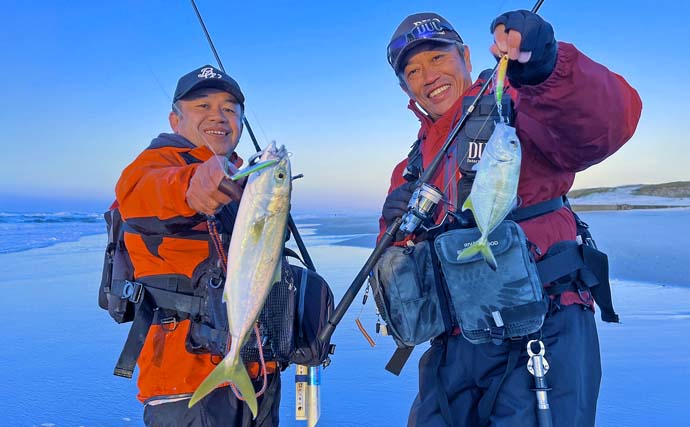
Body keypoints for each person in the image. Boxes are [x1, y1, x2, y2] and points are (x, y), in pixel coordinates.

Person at [379, 10, 642, 427]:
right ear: (405, 87)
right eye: (412, 70)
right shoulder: (410, 169)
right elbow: (401, 265)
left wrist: (547, 68)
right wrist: (391, 228)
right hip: (452, 350)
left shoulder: (520, 103)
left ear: (465, 55)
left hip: (541, 329)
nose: (427, 76)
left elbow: (606, 126)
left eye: (437, 58)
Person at [114, 65, 281, 426]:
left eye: (229, 108)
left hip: (258, 375)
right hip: (186, 386)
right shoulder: (148, 169)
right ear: (175, 120)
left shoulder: (245, 181)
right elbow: (149, 194)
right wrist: (194, 183)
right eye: (201, 106)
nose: (217, 116)